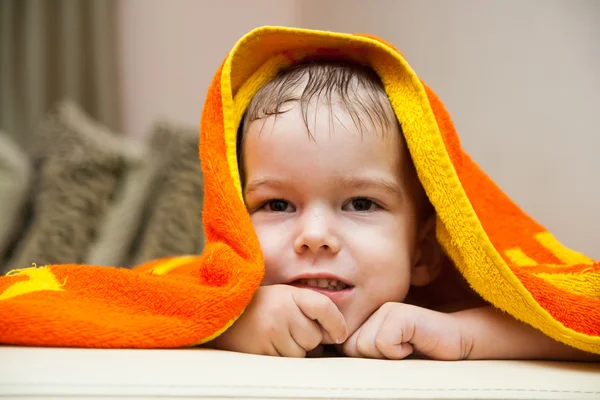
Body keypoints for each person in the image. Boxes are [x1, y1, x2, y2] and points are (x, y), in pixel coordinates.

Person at [204, 60, 598, 361]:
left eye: (361, 203)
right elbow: (150, 310)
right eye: (277, 204)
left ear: (422, 253)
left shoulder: (440, 312)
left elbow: (584, 320)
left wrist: (461, 336)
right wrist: (228, 323)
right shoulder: (229, 301)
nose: (315, 236)